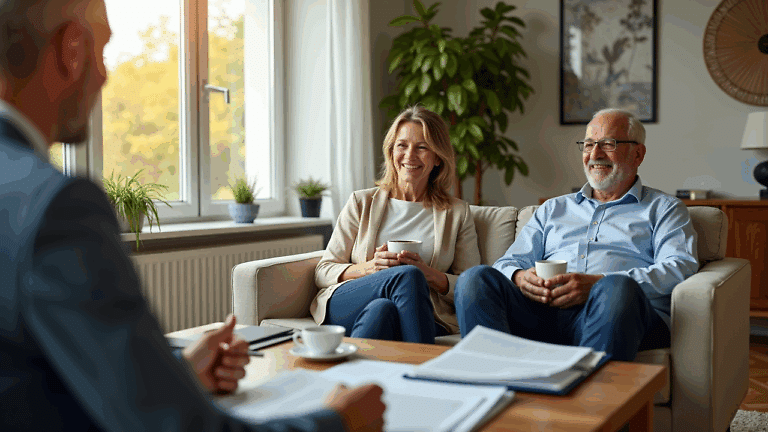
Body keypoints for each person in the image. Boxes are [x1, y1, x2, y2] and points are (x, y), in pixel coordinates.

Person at [0, 0, 385, 430]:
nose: (105, 76)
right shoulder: (56, 206)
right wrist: (339, 422)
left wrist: (175, 376)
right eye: (102, 50)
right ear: (70, 51)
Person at [454, 108, 699, 361]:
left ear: (638, 154)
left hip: (616, 312)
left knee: (616, 288)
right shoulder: (553, 208)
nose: (595, 154)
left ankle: (591, 396)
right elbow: (507, 262)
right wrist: (519, 277)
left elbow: (679, 266)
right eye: (589, 144)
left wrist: (597, 283)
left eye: (608, 144)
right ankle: (492, 383)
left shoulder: (664, 208)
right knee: (475, 279)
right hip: (542, 314)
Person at [312, 106, 481, 343]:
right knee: (407, 276)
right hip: (349, 301)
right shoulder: (362, 202)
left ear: (437, 159)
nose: (410, 155)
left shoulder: (457, 213)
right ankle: (423, 368)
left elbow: (471, 285)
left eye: (422, 147)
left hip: (417, 311)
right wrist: (369, 268)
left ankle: (350, 377)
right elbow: (323, 271)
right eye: (402, 145)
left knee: (383, 310)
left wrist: (429, 275)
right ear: (391, 152)